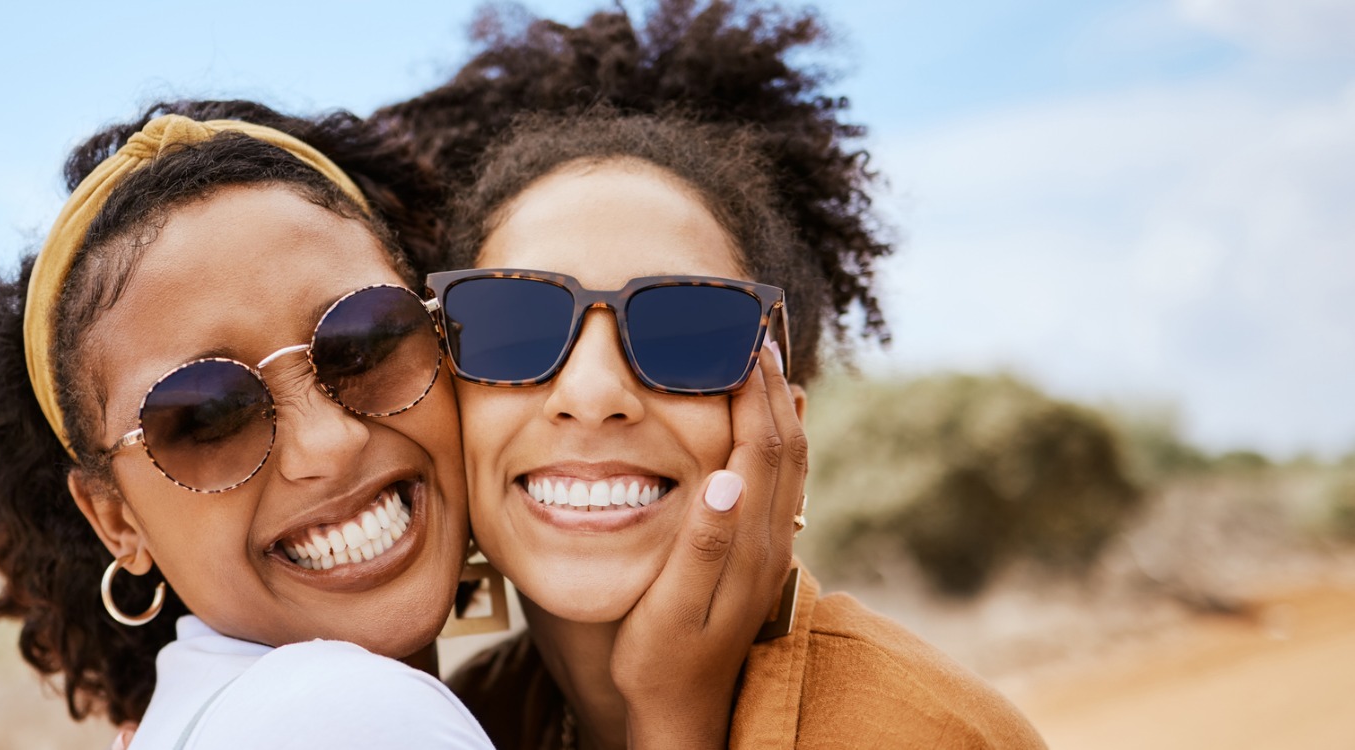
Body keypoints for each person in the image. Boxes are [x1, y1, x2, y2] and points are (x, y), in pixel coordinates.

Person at [0, 98, 796, 749]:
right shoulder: (342, 717)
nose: (327, 442)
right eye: (205, 415)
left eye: (366, 343)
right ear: (115, 519)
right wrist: (673, 720)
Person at [383, 3, 1048, 748]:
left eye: (686, 334)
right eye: (514, 326)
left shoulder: (917, 731)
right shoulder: (461, 720)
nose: (594, 394)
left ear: (784, 431)